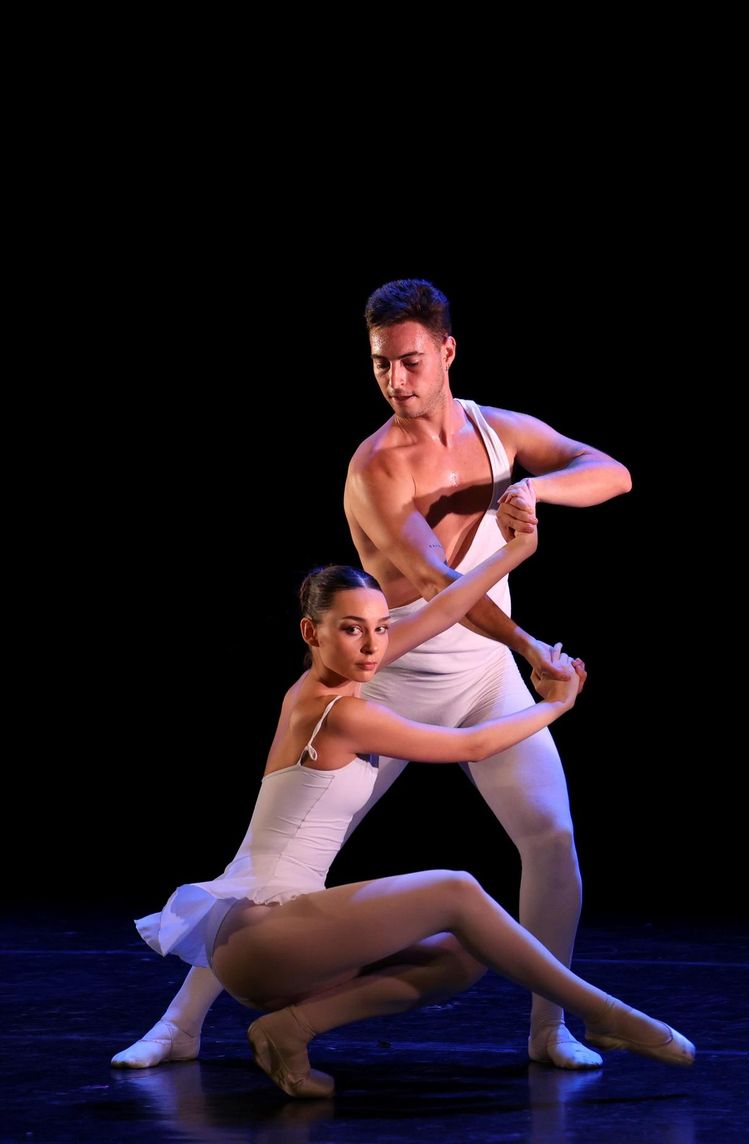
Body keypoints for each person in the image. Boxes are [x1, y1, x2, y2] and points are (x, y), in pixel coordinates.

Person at [114, 278, 633, 1072]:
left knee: (553, 837)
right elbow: (438, 588)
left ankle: (548, 1028)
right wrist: (532, 646)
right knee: (281, 863)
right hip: (393, 671)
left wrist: (535, 487)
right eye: (382, 365)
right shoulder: (376, 466)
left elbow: (612, 470)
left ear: (447, 353)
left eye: (411, 361)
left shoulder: (498, 432)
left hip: (486, 675)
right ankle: (180, 1024)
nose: (397, 379)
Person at [128, 530, 693, 1098]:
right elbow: (472, 746)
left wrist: (518, 548)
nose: (372, 646)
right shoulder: (343, 714)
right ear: (311, 632)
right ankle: (603, 1012)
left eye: (380, 629)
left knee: (462, 954)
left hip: (278, 942)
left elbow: (445, 608)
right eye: (352, 629)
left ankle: (291, 1029)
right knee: (456, 890)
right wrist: (556, 705)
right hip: (261, 941)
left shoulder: (317, 682)